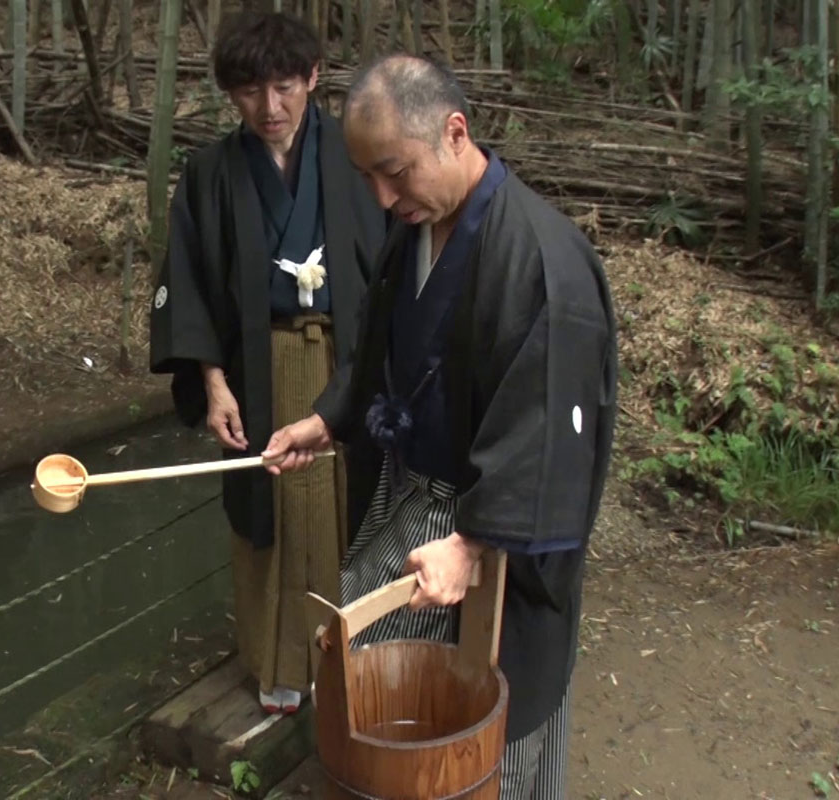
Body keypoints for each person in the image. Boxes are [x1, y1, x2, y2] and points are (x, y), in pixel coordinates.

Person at [261, 54, 618, 798]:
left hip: (486, 536)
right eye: (367, 179)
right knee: (376, 697)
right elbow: (386, 353)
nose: (385, 196)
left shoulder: (541, 263)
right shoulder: (418, 227)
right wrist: (329, 419)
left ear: (455, 132)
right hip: (409, 508)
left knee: (481, 732)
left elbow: (547, 434)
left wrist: (477, 542)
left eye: (395, 171)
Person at [147, 11, 387, 714]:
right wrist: (213, 384)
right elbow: (188, 281)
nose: (270, 108)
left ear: (314, 78)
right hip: (257, 365)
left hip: (350, 363)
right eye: (251, 91)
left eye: (285, 87)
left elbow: (395, 267)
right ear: (232, 93)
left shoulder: (354, 158)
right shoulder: (212, 172)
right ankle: (279, 663)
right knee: (267, 512)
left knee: (353, 505)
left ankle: (355, 654)